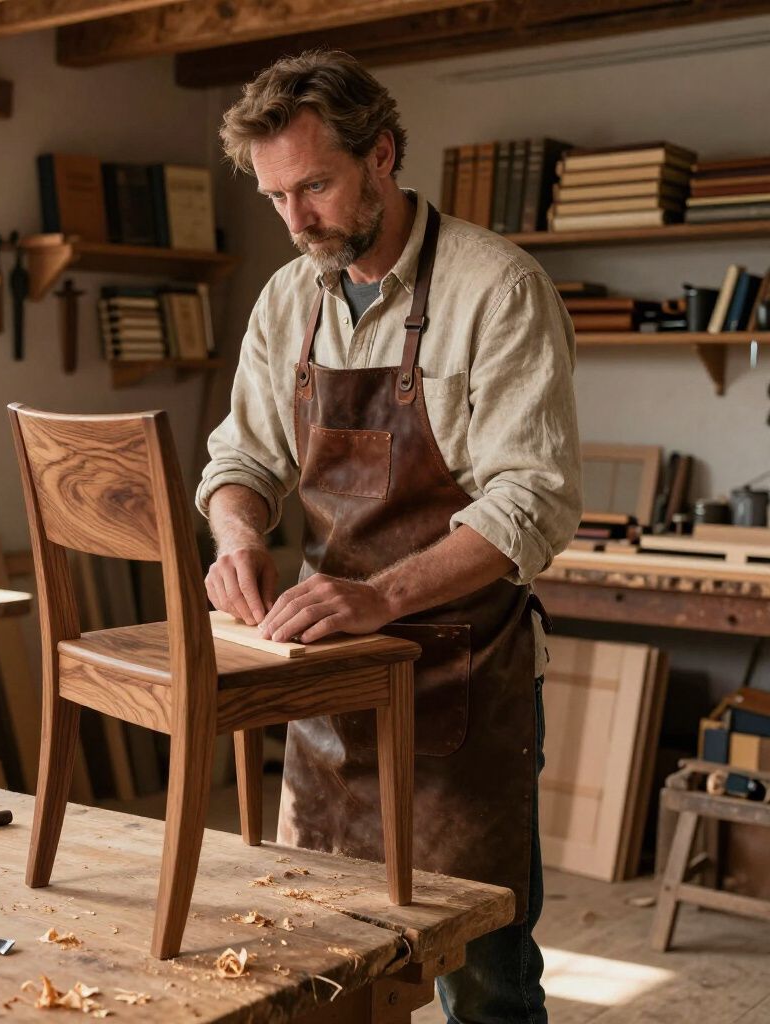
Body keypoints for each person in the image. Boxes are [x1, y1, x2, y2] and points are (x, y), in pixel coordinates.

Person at [196, 50, 581, 1023]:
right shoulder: (288, 299)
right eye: (275, 196)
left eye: (314, 186)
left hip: (462, 680)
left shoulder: (497, 287)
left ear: (382, 155)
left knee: (483, 981)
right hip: (329, 686)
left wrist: (380, 595)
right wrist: (236, 536)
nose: (296, 220)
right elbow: (240, 459)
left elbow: (531, 500)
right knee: (327, 968)